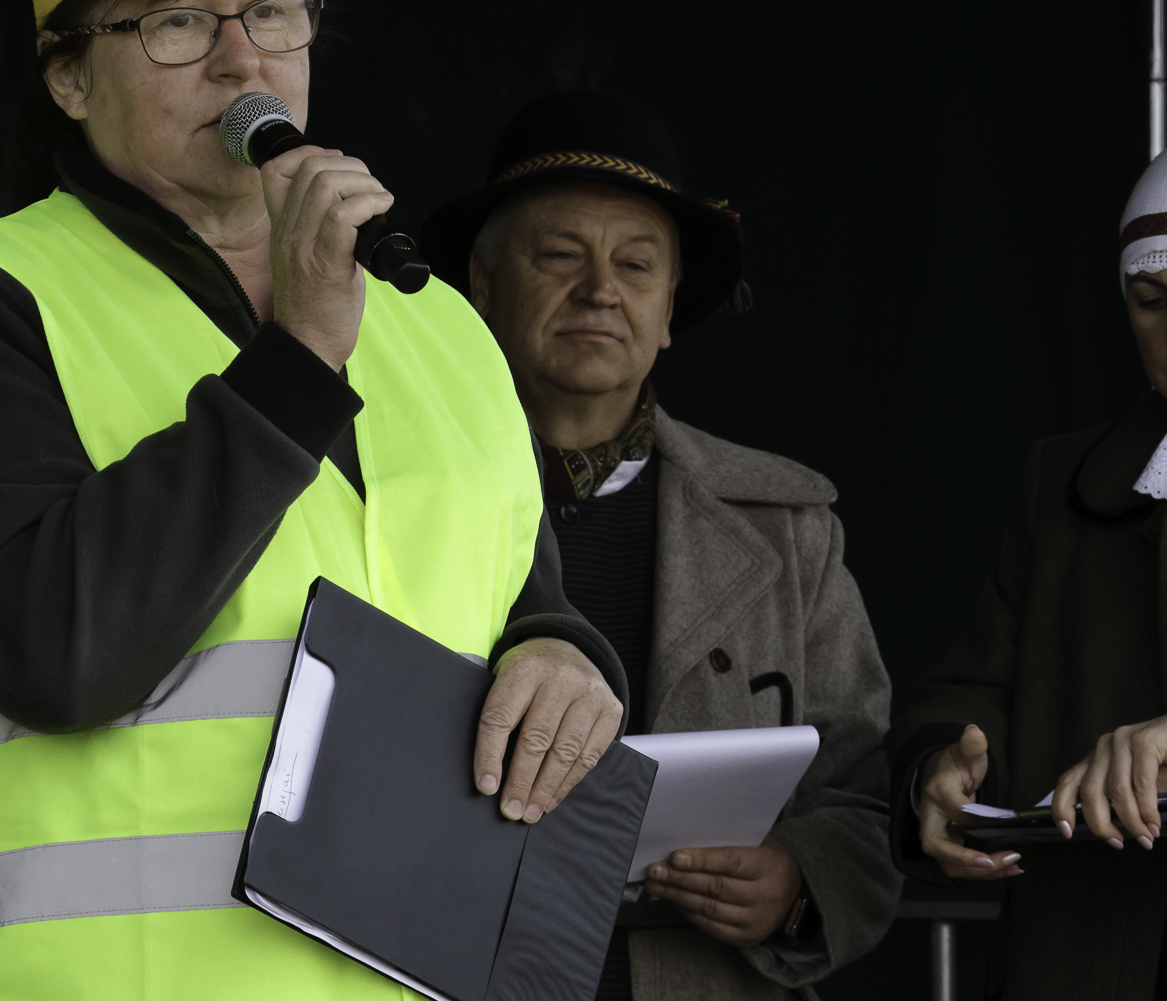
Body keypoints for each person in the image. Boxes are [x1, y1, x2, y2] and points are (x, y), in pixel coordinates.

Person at [0, 0, 630, 999]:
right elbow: (54, 653)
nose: (239, 59)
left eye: (271, 12)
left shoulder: (440, 320)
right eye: (176, 21)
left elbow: (523, 597)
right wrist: (296, 355)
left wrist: (562, 652)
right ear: (67, 75)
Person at [422, 92, 901, 1000]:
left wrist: (798, 882)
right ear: (481, 285)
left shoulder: (786, 525)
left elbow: (862, 793)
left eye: (637, 265)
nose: (601, 289)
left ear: (670, 307)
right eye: (560, 255)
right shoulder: (389, 493)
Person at [888, 150, 1167, 998]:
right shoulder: (1069, 485)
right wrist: (944, 772)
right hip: (1086, 957)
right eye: (1153, 301)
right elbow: (979, 690)